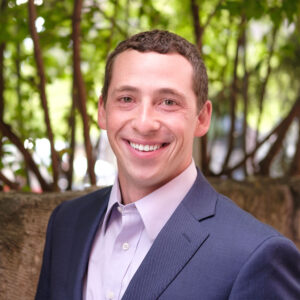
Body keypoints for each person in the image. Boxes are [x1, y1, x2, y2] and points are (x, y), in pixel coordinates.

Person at [35, 30, 300, 300]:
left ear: (202, 118)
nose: (144, 123)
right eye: (127, 99)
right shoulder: (66, 222)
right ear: (103, 111)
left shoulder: (257, 256)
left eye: (168, 102)